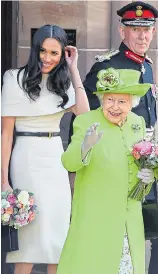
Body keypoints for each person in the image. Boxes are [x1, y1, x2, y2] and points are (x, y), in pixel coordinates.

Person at [1, 24, 89, 274]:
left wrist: (73, 70)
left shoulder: (63, 82)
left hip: (54, 158)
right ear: (35, 49)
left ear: (63, 55)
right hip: (26, 157)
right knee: (27, 239)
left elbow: (83, 114)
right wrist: (3, 180)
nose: (47, 58)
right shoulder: (13, 78)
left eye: (54, 53)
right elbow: (6, 133)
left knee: (57, 237)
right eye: (43, 51)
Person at [56, 68, 158, 274]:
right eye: (109, 99)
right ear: (102, 99)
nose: (115, 106)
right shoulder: (86, 121)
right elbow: (68, 163)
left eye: (122, 101)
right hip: (96, 218)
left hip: (129, 220)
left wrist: (147, 179)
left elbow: (141, 162)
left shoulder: (137, 123)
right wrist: (85, 146)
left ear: (132, 102)